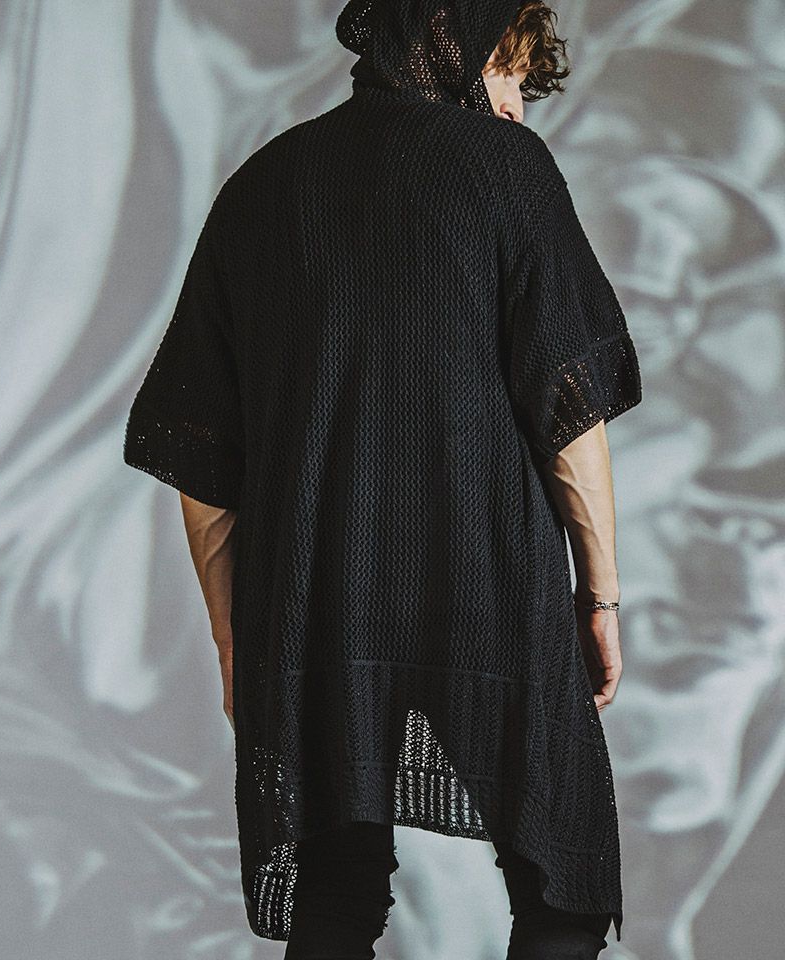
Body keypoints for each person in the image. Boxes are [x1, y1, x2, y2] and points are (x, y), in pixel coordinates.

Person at [123, 1, 642, 958]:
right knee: (562, 884)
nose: (517, 107)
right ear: (463, 43)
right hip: (485, 580)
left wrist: (236, 642)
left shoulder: (264, 185)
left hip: (318, 596)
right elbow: (569, 412)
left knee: (335, 892)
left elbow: (204, 457)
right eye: (510, 75)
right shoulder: (506, 169)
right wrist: (600, 596)